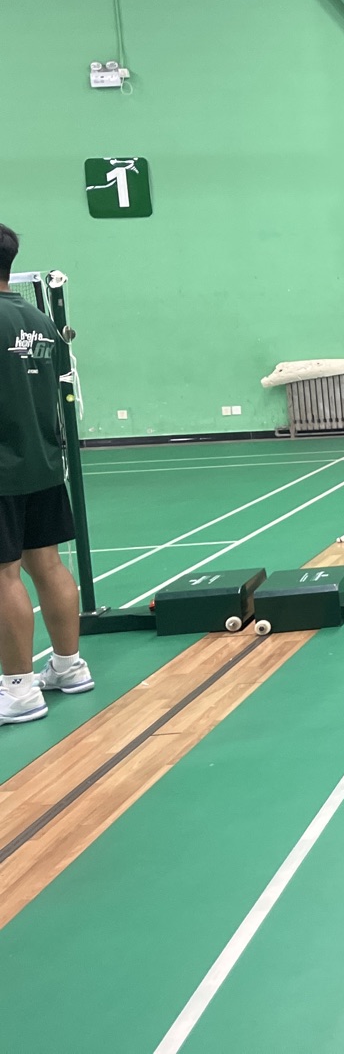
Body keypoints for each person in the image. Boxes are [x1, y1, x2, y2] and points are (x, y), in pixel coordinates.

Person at [0, 223, 94, 726]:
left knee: (3, 575)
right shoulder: (39, 320)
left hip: (3, 469)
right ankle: (68, 666)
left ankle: (18, 690)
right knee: (48, 564)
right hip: (43, 463)